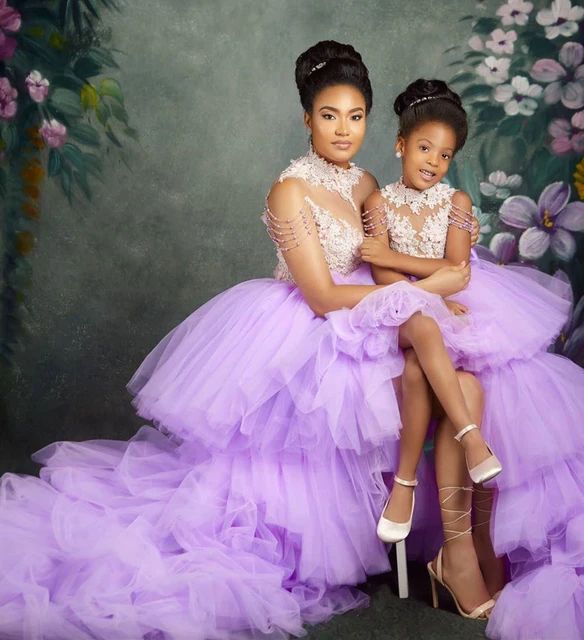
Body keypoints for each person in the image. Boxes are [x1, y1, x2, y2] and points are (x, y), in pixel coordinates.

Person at [0, 43, 491, 639]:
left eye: (356, 116)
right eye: (330, 115)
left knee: (463, 377)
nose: (343, 129)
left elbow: (385, 259)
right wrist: (420, 295)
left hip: (371, 318)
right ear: (308, 118)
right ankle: (358, 530)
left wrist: (432, 278)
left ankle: (456, 544)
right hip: (312, 326)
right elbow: (321, 296)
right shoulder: (290, 191)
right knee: (366, 406)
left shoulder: (367, 183)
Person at [360, 77, 584, 640]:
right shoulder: (379, 201)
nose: (433, 162)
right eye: (424, 148)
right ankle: (461, 523)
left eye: (446, 154)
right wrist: (413, 269)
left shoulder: (455, 202)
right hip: (396, 322)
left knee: (472, 388)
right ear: (401, 145)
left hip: (451, 319)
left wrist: (398, 256)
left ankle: (466, 550)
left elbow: (460, 267)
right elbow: (384, 279)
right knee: (422, 338)